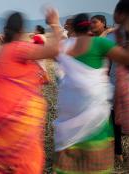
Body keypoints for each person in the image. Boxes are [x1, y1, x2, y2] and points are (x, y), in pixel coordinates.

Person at [53, 12, 129, 174]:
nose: (94, 25)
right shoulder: (102, 42)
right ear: (88, 26)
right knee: (100, 135)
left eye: (96, 22)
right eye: (92, 22)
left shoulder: (67, 45)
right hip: (96, 102)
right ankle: (111, 156)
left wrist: (53, 24)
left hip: (74, 104)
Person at [0, 9, 61, 174]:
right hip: (18, 122)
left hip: (1, 121)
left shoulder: (1, 52)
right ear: (21, 30)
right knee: (23, 162)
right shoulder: (18, 48)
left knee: (6, 163)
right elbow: (55, 50)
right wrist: (55, 24)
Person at [110, 0, 129, 163]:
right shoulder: (114, 34)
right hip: (118, 84)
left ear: (122, 13)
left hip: (122, 85)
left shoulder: (115, 35)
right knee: (116, 120)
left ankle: (119, 153)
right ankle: (118, 153)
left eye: (115, 11)